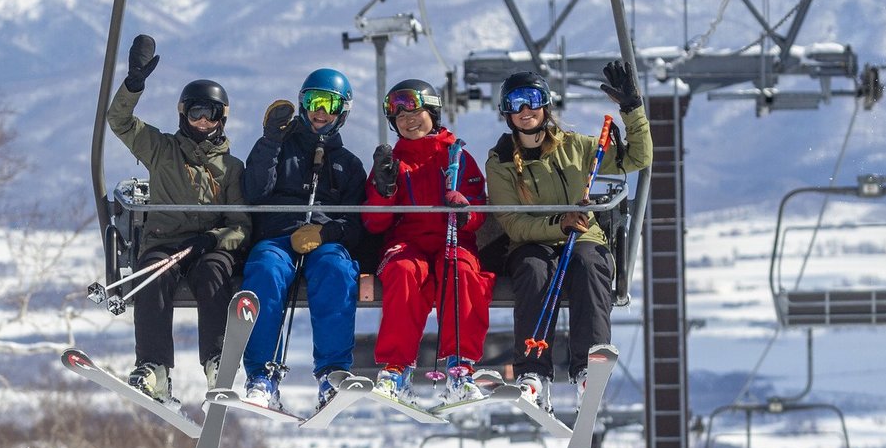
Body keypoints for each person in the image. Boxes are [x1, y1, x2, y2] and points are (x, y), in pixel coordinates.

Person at [485, 60, 651, 413]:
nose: (525, 110)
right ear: (506, 113)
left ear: (546, 105)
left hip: (582, 237)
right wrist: (558, 225)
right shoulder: (500, 163)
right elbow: (514, 224)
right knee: (532, 269)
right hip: (532, 242)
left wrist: (631, 109)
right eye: (516, 103)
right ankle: (533, 372)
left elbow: (639, 156)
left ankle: (587, 368)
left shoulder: (577, 147)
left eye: (532, 100)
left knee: (589, 264)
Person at [106, 34, 251, 404]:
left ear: (222, 118)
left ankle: (217, 361)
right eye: (195, 113)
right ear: (183, 115)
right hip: (165, 243)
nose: (202, 122)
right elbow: (119, 121)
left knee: (214, 274)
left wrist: (215, 239)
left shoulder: (231, 168)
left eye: (211, 114)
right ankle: (154, 367)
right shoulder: (162, 150)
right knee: (154, 274)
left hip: (208, 247)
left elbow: (241, 224)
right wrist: (133, 84)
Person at [240, 68, 368, 413]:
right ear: (302, 103)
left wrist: (327, 233)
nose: (320, 111)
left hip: (323, 241)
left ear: (343, 111)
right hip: (278, 237)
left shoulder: (348, 166)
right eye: (313, 101)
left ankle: (332, 372)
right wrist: (270, 140)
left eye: (329, 103)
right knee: (265, 270)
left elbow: (357, 224)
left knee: (336, 270)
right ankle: (262, 376)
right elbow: (254, 191)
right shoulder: (278, 148)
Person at [364, 78, 493, 404]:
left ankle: (460, 368)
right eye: (400, 117)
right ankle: (396, 369)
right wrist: (384, 190)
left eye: (415, 112)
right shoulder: (392, 162)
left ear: (432, 113)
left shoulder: (457, 157)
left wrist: (465, 211)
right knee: (404, 271)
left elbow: (480, 209)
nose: (408, 121)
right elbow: (374, 222)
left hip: (453, 239)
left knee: (461, 272)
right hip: (408, 241)